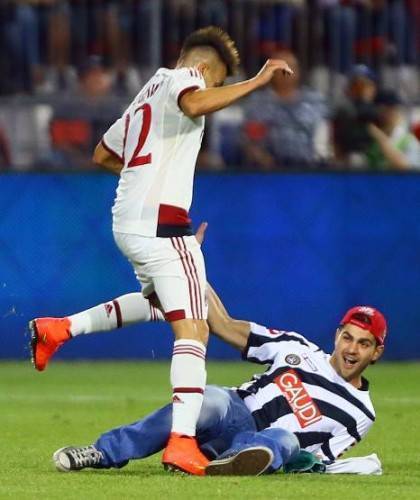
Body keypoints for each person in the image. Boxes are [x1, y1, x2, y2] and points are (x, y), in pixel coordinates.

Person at [29, 26, 293, 476]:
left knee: (162, 304)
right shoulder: (182, 78)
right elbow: (194, 103)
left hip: (130, 221)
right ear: (203, 68)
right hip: (161, 224)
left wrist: (146, 187)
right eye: (216, 82)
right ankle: (182, 443)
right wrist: (257, 81)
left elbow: (103, 154)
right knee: (194, 330)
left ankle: (59, 328)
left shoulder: (146, 93)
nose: (214, 92)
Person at [51, 283, 387, 476]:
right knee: (206, 399)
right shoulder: (296, 347)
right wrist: (193, 269)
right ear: (337, 335)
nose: (352, 348)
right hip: (235, 409)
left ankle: (229, 462)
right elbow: (224, 325)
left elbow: (321, 460)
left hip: (269, 443)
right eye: (348, 337)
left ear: (376, 352)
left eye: (364, 343)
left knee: (285, 440)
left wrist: (303, 460)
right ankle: (102, 452)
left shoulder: (361, 413)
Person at [241, 50, 329, 170]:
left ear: (298, 72)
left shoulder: (314, 101)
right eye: (281, 68)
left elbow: (324, 139)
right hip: (269, 169)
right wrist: (263, 160)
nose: (286, 71)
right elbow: (251, 142)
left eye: (291, 67)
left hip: (309, 168)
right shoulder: (258, 103)